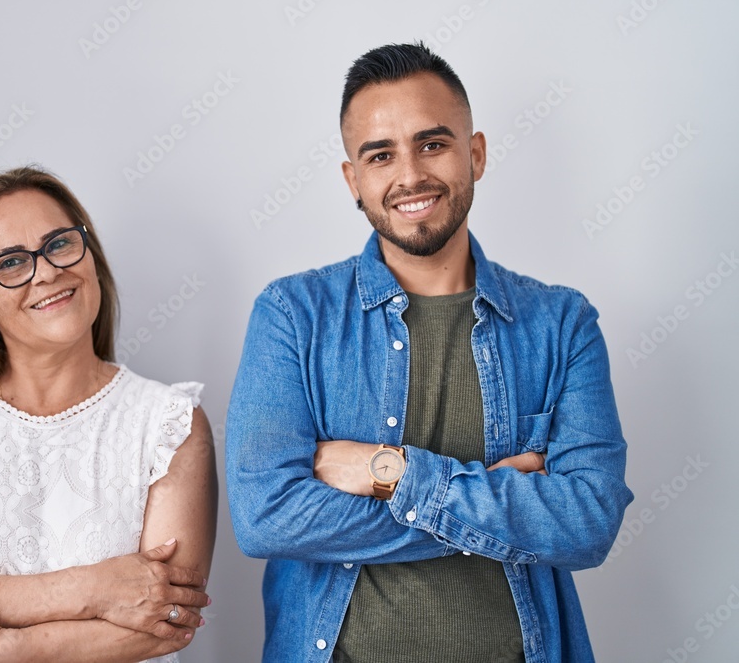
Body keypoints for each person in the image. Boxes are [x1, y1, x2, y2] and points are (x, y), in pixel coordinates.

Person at [226, 43, 632, 662]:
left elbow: (587, 524)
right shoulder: (292, 316)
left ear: (476, 154)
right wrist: (498, 509)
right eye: (381, 155)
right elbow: (267, 517)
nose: (410, 174)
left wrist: (386, 472)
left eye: (433, 144)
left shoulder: (561, 323)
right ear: (352, 180)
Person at [0, 166, 216, 663]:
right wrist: (98, 587)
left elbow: (168, 621)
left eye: (59, 244)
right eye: (11, 263)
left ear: (91, 257)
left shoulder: (170, 424)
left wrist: (1, 648)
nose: (47, 271)